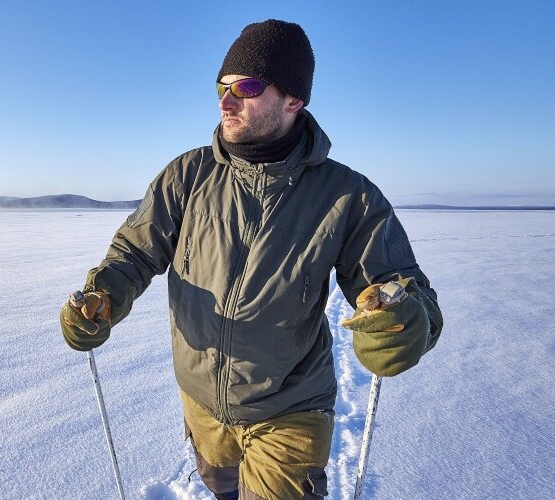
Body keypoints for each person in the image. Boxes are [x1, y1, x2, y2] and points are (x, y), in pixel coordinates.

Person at [59, 19, 443, 500]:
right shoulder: (187, 175)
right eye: (222, 87)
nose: (226, 101)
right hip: (202, 402)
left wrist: (400, 323)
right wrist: (102, 297)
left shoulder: (348, 197)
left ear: (294, 100)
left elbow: (406, 292)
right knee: (221, 487)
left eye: (246, 87)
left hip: (291, 406)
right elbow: (133, 252)